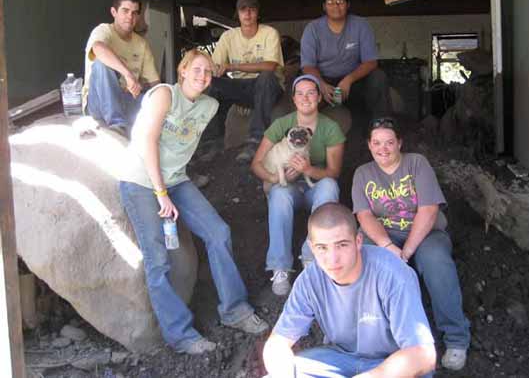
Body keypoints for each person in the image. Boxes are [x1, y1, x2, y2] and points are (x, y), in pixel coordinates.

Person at [119, 49, 268, 355]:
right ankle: (180, 335)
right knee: (158, 259)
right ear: (183, 70)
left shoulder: (209, 106)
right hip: (141, 181)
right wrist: (160, 193)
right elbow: (147, 140)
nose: (203, 76)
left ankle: (234, 309)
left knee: (219, 232)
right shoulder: (164, 95)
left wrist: (171, 185)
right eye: (196, 69)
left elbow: (180, 147)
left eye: (208, 72)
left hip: (176, 180)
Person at [262, 202, 436, 378]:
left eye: (342, 245)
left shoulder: (392, 274)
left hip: (391, 366)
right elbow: (277, 344)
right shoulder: (309, 280)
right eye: (322, 247)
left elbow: (424, 355)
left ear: (358, 241)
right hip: (340, 360)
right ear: (312, 247)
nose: (332, 259)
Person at [352, 117, 471, 371]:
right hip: (384, 235)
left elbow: (428, 210)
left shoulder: (416, 163)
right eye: (377, 143)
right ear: (369, 145)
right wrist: (387, 246)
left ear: (399, 143)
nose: (383, 148)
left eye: (389, 142)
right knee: (365, 260)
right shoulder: (363, 173)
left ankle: (456, 338)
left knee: (437, 262)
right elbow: (364, 216)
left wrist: (405, 252)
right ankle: (376, 337)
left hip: (425, 233)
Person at [251, 75, 345, 296]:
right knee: (279, 194)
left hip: (315, 186)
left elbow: (334, 171)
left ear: (319, 97)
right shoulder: (282, 124)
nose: (306, 98)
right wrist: (275, 179)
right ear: (293, 99)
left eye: (311, 92)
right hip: (288, 186)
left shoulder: (330, 128)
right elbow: (256, 164)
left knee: (330, 185)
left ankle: (312, 256)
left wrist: (308, 170)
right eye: (300, 93)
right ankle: (280, 266)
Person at [208, 0, 285, 162]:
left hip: (269, 86)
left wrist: (232, 66)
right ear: (237, 13)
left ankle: (255, 141)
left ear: (258, 13)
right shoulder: (228, 36)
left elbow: (270, 66)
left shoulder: (269, 33)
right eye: (243, 9)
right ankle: (212, 141)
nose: (248, 13)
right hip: (243, 86)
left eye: (252, 9)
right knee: (210, 83)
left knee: (265, 77)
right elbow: (213, 66)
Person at [300, 0, 390, 119]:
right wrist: (321, 85)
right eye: (330, 2)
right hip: (324, 80)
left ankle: (381, 127)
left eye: (340, 1)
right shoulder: (312, 29)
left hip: (353, 80)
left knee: (378, 77)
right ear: (324, 6)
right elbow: (307, 66)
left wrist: (348, 80)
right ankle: (303, 132)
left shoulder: (361, 25)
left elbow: (371, 62)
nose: (335, 6)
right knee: (303, 84)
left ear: (347, 4)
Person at [83, 0, 160, 135]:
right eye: (125, 11)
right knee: (100, 63)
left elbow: (155, 83)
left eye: (135, 13)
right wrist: (128, 75)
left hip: (126, 100)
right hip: (98, 101)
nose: (130, 17)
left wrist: (141, 87)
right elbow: (98, 49)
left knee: (160, 102)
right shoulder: (103, 30)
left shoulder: (142, 44)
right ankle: (117, 125)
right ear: (114, 12)